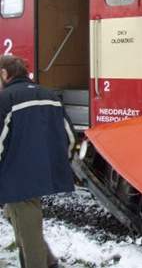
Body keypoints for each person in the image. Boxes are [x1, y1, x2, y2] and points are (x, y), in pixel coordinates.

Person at [0, 55, 75, 268]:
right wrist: (58, 161)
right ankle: (49, 261)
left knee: (26, 221)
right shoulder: (50, 95)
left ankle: (42, 264)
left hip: (16, 174)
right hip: (45, 170)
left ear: (5, 74)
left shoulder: (6, 99)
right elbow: (69, 136)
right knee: (16, 216)